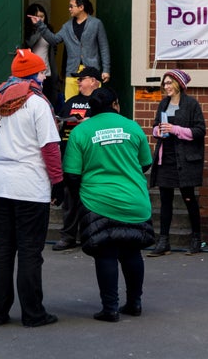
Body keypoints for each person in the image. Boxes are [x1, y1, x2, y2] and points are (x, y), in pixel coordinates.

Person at [0, 49, 63, 327]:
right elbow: (49, 147)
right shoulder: (37, 103)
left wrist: (0, 148)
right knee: (29, 251)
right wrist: (58, 182)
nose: (45, 76)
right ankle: (33, 313)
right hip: (30, 186)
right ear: (34, 74)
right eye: (42, 71)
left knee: (2, 250)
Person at [63, 88, 154, 322]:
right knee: (132, 252)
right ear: (116, 103)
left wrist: (81, 196)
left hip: (98, 201)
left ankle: (110, 308)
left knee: (106, 254)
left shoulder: (81, 131)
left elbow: (72, 174)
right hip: (134, 200)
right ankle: (134, 303)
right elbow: (145, 163)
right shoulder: (133, 127)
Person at [148, 70, 206, 257]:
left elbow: (200, 131)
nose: (166, 87)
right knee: (165, 200)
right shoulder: (163, 104)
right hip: (167, 158)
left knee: (189, 199)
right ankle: (163, 241)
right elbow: (155, 126)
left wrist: (175, 129)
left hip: (185, 159)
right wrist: (159, 131)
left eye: (169, 83)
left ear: (179, 84)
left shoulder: (191, 104)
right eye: (164, 84)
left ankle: (196, 238)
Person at [51, 66, 103, 252]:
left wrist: (89, 122)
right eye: (78, 79)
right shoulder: (71, 101)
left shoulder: (101, 101)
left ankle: (92, 235)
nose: (78, 82)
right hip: (70, 154)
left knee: (93, 198)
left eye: (82, 78)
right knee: (70, 198)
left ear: (94, 81)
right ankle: (68, 236)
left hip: (92, 157)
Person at [29, 0, 111, 99]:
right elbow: (54, 40)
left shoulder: (96, 24)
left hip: (92, 72)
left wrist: (106, 70)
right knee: (70, 103)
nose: (69, 9)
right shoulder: (66, 27)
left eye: (71, 6)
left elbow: (104, 47)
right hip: (72, 72)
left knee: (93, 103)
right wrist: (40, 25)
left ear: (81, 7)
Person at [23, 3, 59, 109]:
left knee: (48, 104)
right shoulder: (27, 31)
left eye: (42, 17)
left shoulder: (48, 31)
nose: (39, 19)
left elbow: (54, 46)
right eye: (36, 16)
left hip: (47, 73)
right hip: (32, 75)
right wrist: (39, 28)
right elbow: (29, 43)